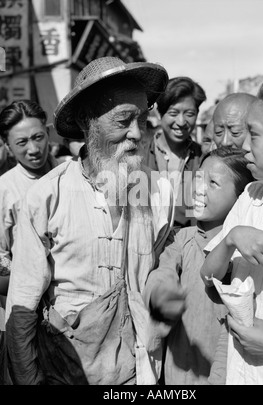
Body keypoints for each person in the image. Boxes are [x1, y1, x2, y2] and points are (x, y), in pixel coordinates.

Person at [5, 56, 174, 385]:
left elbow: (160, 268)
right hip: (63, 373)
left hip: (137, 373)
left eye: (142, 119)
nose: (137, 133)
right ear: (87, 120)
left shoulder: (160, 192)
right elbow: (22, 304)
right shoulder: (45, 197)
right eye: (123, 120)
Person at [200, 77, 263, 385]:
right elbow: (208, 275)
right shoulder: (251, 196)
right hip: (240, 370)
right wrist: (231, 239)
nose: (242, 146)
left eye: (253, 135)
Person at [143, 146, 254, 385]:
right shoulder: (181, 238)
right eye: (198, 178)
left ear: (241, 197)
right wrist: (162, 293)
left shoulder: (244, 252)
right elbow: (162, 272)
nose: (199, 189)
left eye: (212, 183)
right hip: (177, 376)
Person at [0, 99, 57, 385]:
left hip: (68, 320)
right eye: (21, 142)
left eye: (38, 137)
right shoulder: (5, 190)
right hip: (22, 320)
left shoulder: (68, 175)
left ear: (48, 132)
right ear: (7, 146)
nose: (33, 149)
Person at [144, 76, 206, 229]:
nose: (181, 122)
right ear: (161, 113)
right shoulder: (139, 154)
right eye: (173, 113)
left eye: (189, 114)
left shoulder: (202, 158)